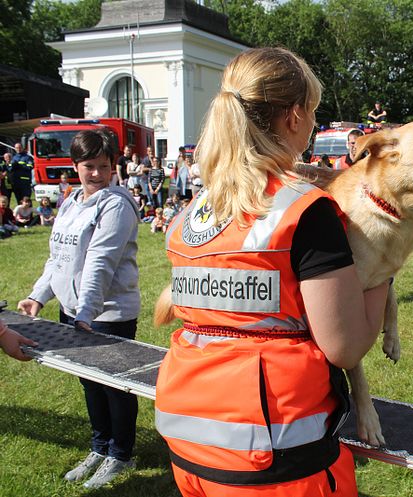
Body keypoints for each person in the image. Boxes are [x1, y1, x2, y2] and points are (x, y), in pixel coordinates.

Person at [154, 46, 389, 497]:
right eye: (315, 113)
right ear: (295, 117)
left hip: (189, 440)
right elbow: (345, 346)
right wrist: (383, 267)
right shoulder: (304, 212)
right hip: (274, 454)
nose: (315, 125)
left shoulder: (194, 213)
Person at [17, 128, 140, 489]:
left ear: (114, 165)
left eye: (104, 166)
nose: (97, 174)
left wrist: (86, 313)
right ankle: (100, 448)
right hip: (76, 314)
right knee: (90, 385)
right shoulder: (70, 202)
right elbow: (60, 258)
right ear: (75, 166)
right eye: (89, 166)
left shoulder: (116, 205)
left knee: (115, 388)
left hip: (108, 316)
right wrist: (38, 296)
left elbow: (99, 264)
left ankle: (121, 455)